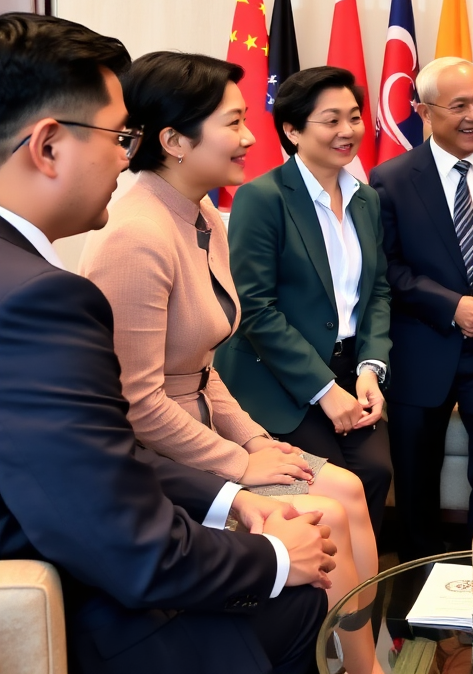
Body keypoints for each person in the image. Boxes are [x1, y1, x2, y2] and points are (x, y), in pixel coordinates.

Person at [0, 13, 335, 674]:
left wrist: (224, 496)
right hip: (66, 596)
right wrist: (273, 556)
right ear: (46, 146)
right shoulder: (41, 300)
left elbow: (77, 453)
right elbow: (130, 546)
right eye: (119, 135)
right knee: (297, 599)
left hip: (63, 540)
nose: (129, 155)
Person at [80, 53, 382, 674]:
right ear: (173, 141)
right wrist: (241, 461)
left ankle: (362, 661)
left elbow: (204, 367)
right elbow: (138, 403)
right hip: (162, 459)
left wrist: (255, 440)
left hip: (207, 431)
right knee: (325, 512)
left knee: (350, 490)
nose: (250, 138)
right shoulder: (136, 236)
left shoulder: (205, 216)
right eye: (234, 123)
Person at [217, 65, 393, 539]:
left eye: (354, 118)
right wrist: (323, 390)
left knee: (375, 474)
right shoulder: (262, 198)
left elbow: (375, 291)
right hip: (278, 380)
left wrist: (370, 369)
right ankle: (319, 603)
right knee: (329, 492)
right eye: (331, 120)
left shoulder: (365, 199)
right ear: (292, 130)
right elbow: (254, 307)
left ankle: (356, 599)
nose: (347, 131)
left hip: (349, 371)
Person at [369, 57, 473, 560]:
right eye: (458, 104)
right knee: (415, 473)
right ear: (423, 110)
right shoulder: (390, 178)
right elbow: (387, 268)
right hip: (422, 346)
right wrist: (452, 305)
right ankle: (419, 571)